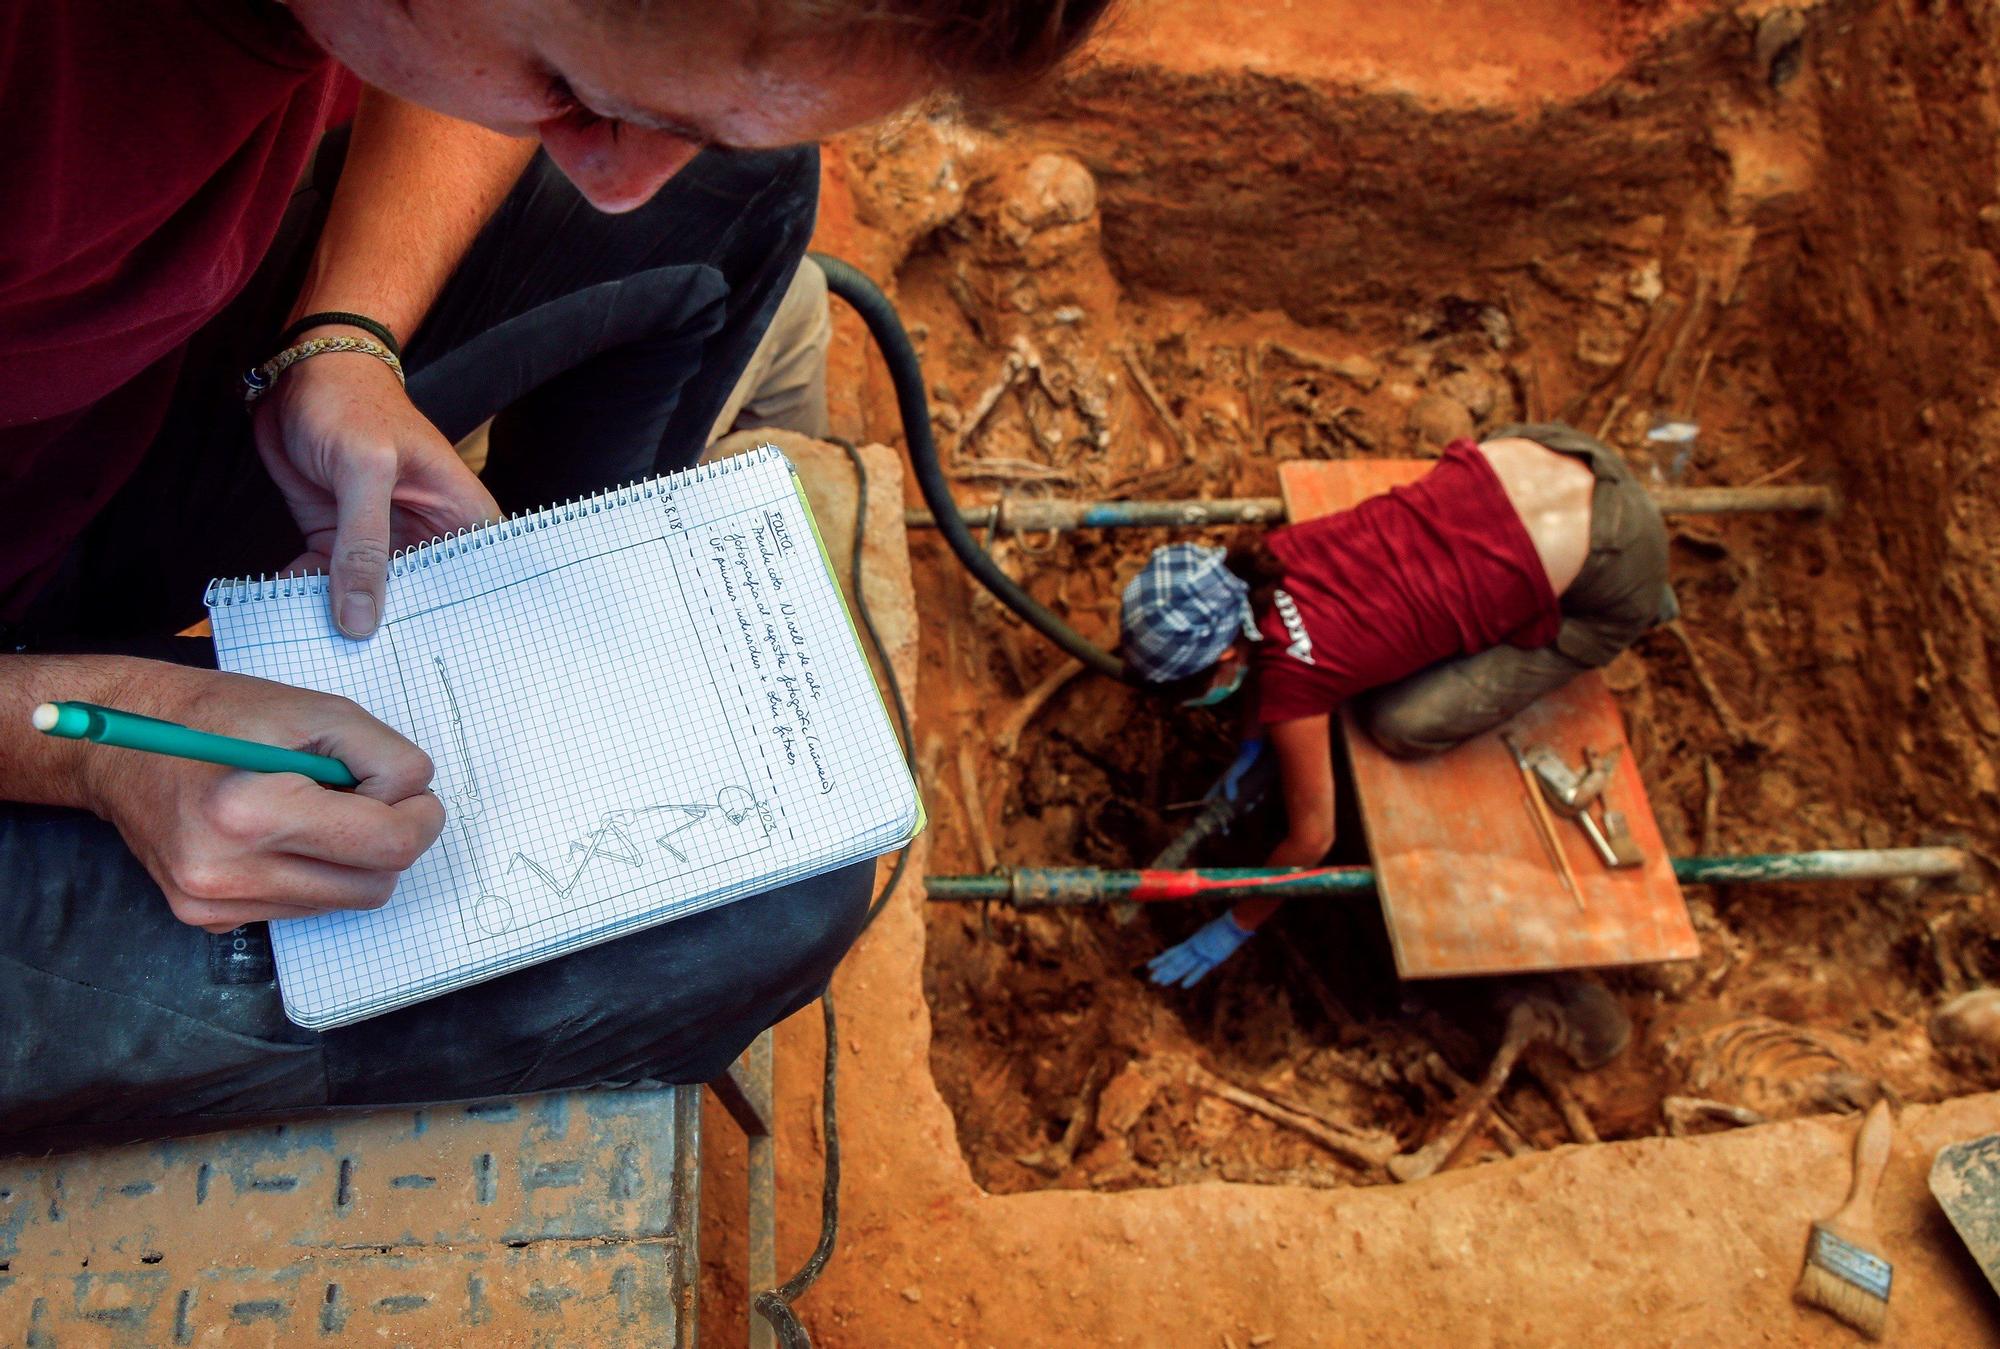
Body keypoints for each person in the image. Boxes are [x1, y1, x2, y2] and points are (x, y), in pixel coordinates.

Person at [0, 0, 1110, 1141]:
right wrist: (90, 743)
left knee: (735, 189)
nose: (614, 175)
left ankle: (524, 665)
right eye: (572, 98)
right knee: (739, 915)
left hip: (95, 425)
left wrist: (343, 336)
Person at [1124, 423, 1674, 988]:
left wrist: (1235, 925)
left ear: (1225, 655)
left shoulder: (1295, 683)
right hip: (1551, 450)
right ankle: (1552, 586)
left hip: (1618, 556)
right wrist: (1251, 742)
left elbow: (1313, 839)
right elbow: (1272, 645)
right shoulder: (1272, 556)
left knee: (1400, 723)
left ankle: (1628, 605)